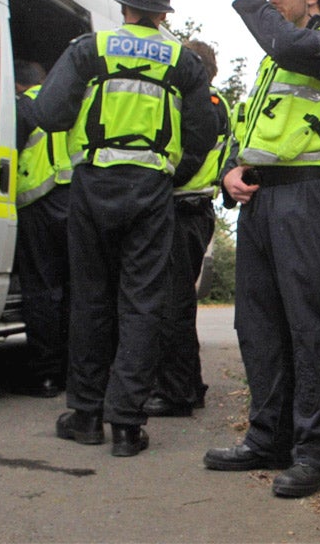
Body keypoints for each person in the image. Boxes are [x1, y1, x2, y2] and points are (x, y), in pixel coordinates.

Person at [203, 0, 320, 498]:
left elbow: (290, 43)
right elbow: (249, 125)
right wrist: (230, 170)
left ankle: (316, 452)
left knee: (310, 327)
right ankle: (267, 438)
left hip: (306, 197)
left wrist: (253, 5)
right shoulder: (274, 58)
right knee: (258, 327)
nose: (272, 0)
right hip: (259, 202)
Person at [33, 0, 217, 457]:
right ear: (162, 13)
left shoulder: (90, 49)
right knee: (142, 303)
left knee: (90, 301)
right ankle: (128, 427)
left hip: (92, 187)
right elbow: (204, 132)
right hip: (152, 191)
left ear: (125, 6)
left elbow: (49, 113)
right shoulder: (183, 61)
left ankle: (87, 417)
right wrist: (169, 171)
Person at [144, 39, 231, 417]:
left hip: (185, 208)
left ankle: (177, 393)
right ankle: (188, 386)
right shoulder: (211, 103)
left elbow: (191, 156)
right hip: (190, 211)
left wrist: (155, 183)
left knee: (172, 305)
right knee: (174, 302)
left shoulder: (205, 105)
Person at [13, 59, 71, 398]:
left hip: (38, 202)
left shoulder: (24, 106)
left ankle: (45, 375)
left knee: (41, 290)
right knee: (73, 292)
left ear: (19, 84)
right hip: (75, 203)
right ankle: (70, 372)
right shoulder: (68, 102)